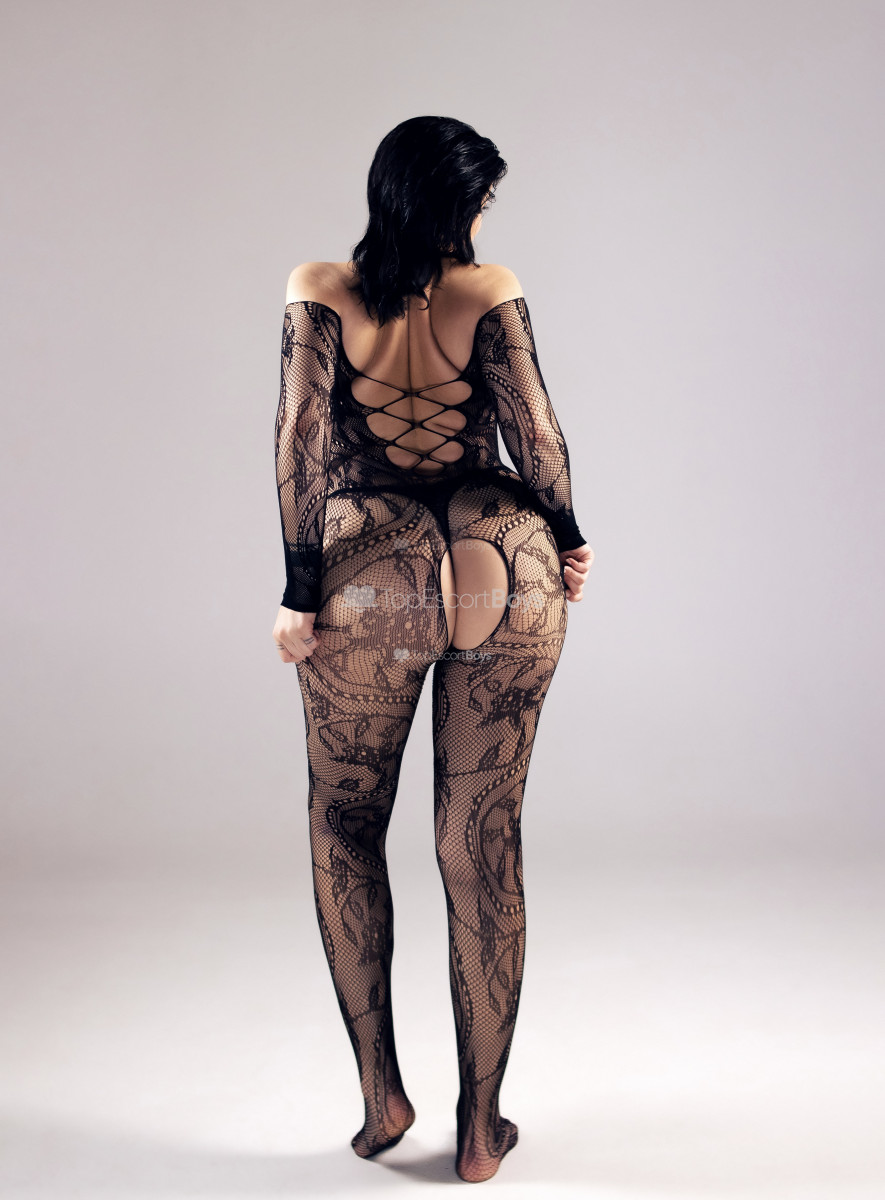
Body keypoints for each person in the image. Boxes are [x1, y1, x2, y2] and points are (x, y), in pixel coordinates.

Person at [271, 115, 594, 1184]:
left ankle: (382, 1098)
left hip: (374, 569)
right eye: (479, 202)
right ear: (456, 205)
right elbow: (535, 433)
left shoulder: (320, 289)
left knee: (344, 822)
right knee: (480, 840)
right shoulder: (486, 288)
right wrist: (570, 538)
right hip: (501, 554)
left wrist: (298, 591)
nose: (483, 220)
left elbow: (299, 443)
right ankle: (483, 1128)